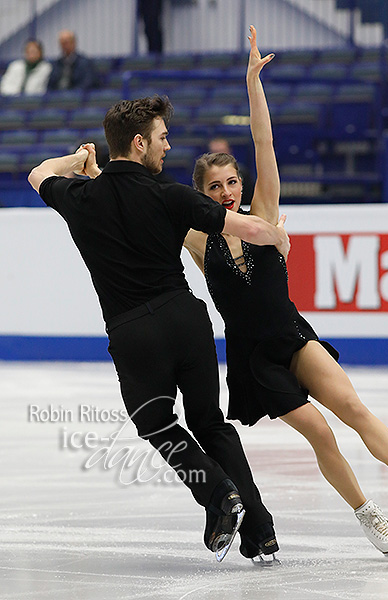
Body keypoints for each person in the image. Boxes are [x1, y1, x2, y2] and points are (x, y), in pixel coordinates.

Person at [185, 26, 388, 559]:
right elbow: (144, 205)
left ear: (242, 185)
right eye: (214, 188)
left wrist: (252, 84)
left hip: (292, 334)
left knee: (352, 405)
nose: (225, 193)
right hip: (254, 358)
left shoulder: (264, 213)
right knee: (322, 434)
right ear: (202, 195)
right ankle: (368, 515)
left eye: (230, 183)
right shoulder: (197, 237)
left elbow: (264, 143)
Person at [27, 94, 290, 562]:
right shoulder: (171, 195)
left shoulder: (80, 196)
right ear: (138, 142)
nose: (167, 147)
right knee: (209, 422)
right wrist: (278, 236)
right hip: (187, 321)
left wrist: (80, 158)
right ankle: (261, 531)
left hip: (134, 332)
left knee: (157, 423)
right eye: (161, 138)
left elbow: (38, 174)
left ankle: (216, 495)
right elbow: (243, 227)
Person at [208, 137, 255, 206]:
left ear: (229, 151)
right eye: (215, 152)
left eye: (222, 152)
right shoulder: (205, 175)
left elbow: (249, 198)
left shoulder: (243, 173)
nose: (218, 156)